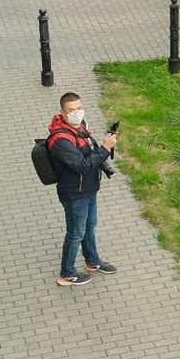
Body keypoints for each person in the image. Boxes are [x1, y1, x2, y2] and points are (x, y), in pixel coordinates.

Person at [46, 92, 118, 287]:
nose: (77, 113)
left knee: (89, 227)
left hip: (88, 188)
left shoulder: (81, 126)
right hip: (74, 193)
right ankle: (67, 274)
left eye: (79, 108)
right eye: (71, 110)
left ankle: (92, 261)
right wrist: (105, 148)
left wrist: (101, 145)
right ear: (62, 112)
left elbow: (90, 154)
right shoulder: (61, 140)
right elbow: (82, 166)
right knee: (75, 233)